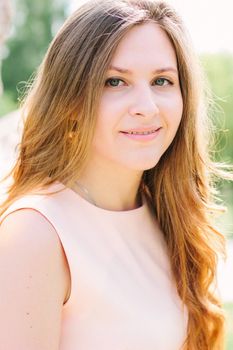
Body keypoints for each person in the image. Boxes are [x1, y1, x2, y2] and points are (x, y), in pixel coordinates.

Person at [0, 0, 231, 349]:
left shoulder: (165, 214)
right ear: (70, 100)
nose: (146, 107)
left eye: (162, 81)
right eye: (115, 81)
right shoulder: (36, 234)